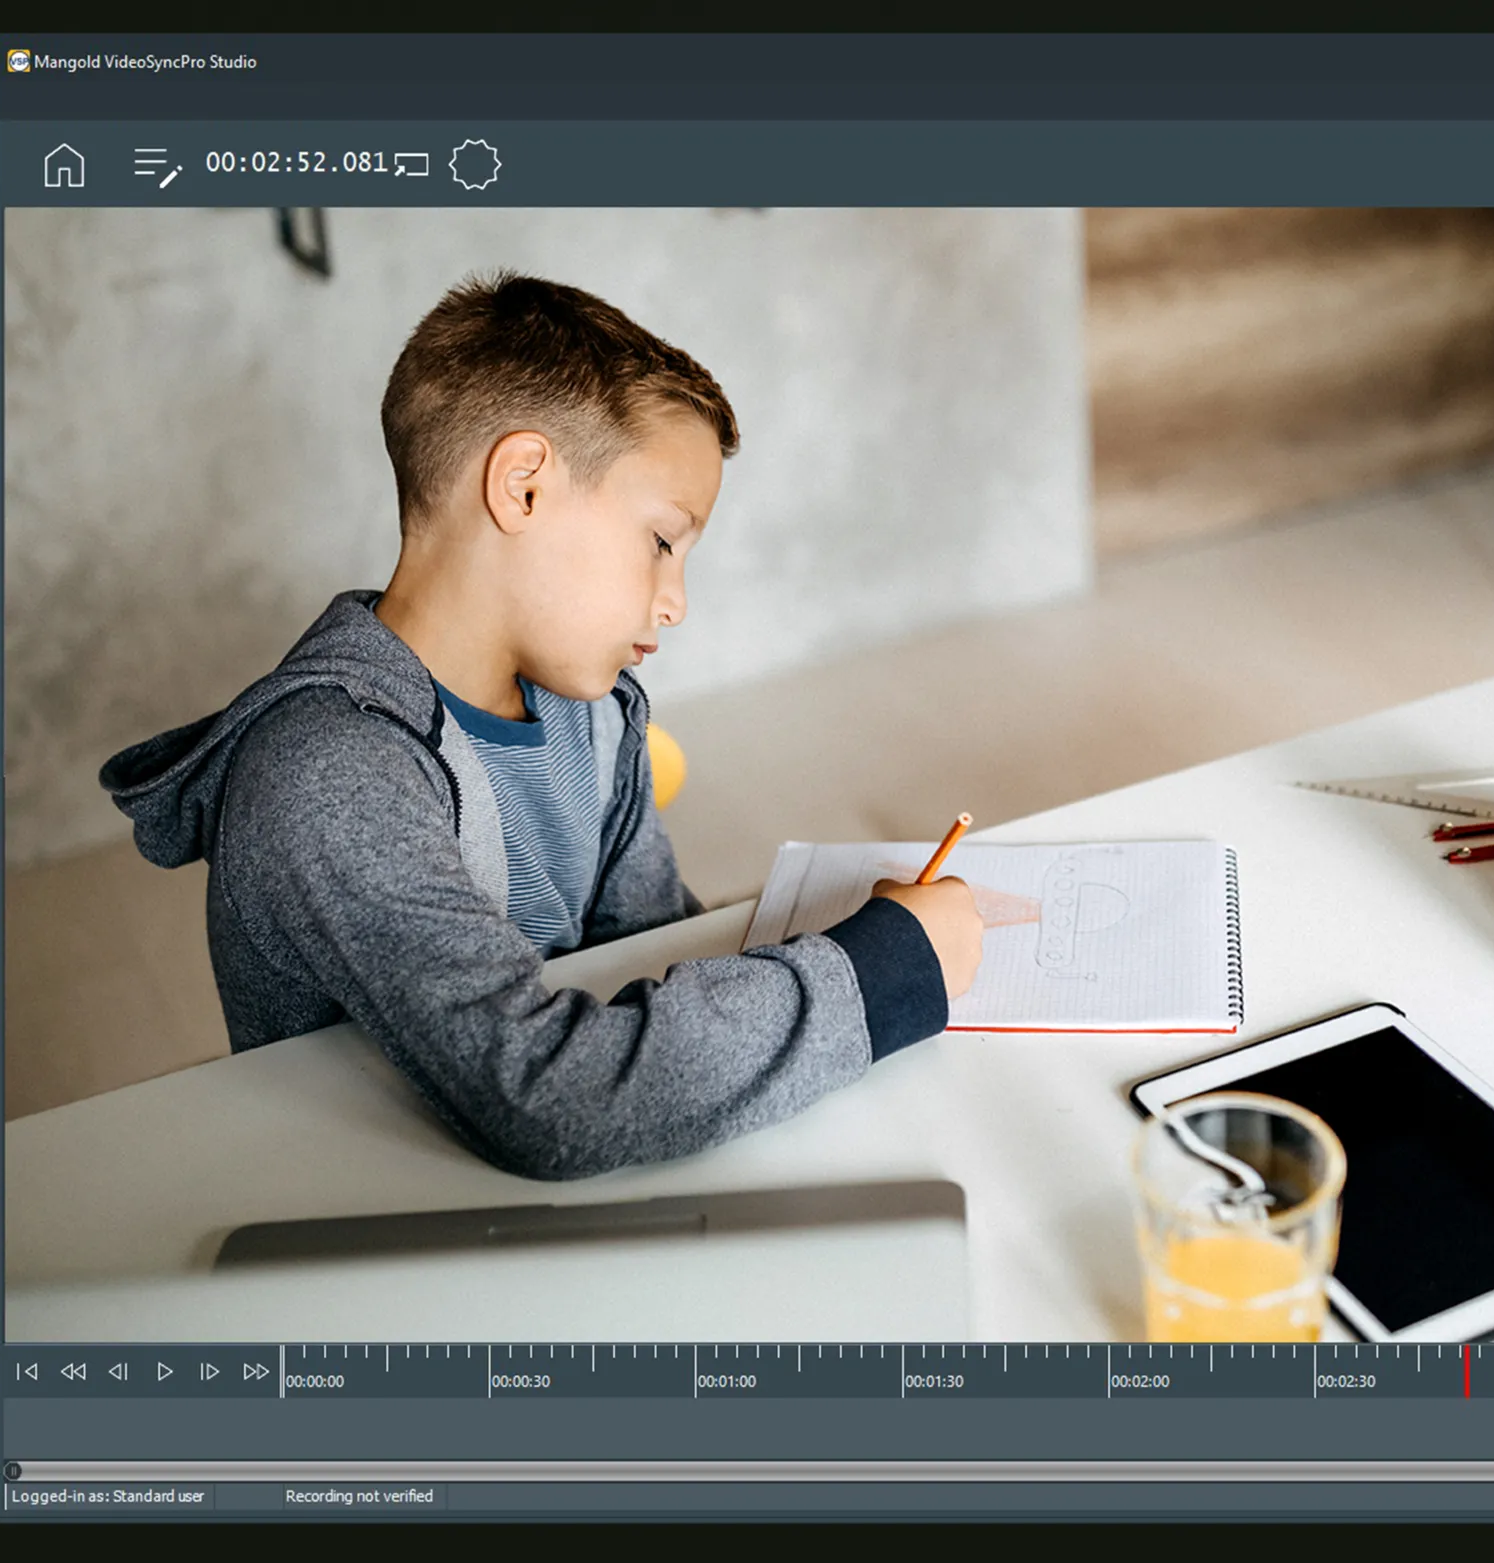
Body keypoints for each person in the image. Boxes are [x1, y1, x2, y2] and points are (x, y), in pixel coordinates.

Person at [100, 272, 983, 1179]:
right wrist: (881, 972)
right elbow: (550, 1099)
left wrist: (829, 937)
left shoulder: (594, 716)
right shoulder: (325, 771)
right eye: (662, 542)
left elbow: (649, 947)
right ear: (521, 488)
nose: (675, 602)